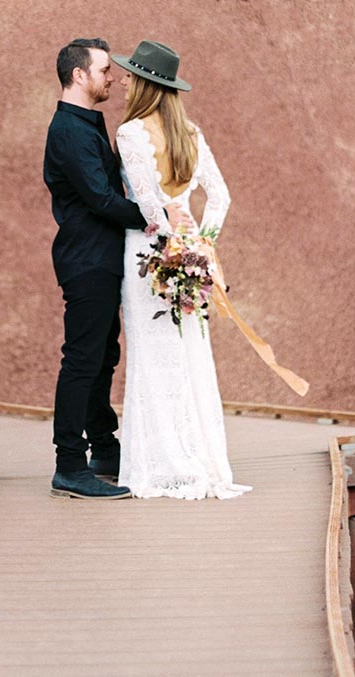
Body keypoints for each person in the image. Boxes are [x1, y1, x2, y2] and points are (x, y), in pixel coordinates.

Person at [112, 40, 252, 499]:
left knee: (151, 358)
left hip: (145, 257)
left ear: (146, 85)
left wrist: (166, 235)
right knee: (189, 352)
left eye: (132, 76)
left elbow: (148, 204)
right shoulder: (192, 133)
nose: (127, 81)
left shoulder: (131, 133)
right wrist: (198, 244)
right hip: (187, 257)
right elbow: (220, 197)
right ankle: (197, 458)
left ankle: (162, 464)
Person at [43, 38, 156, 500]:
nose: (112, 77)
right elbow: (101, 199)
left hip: (100, 259)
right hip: (87, 260)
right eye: (105, 70)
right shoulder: (69, 131)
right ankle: (69, 464)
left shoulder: (86, 124)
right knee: (83, 361)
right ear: (79, 76)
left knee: (102, 358)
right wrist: (156, 219)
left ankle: (104, 449)